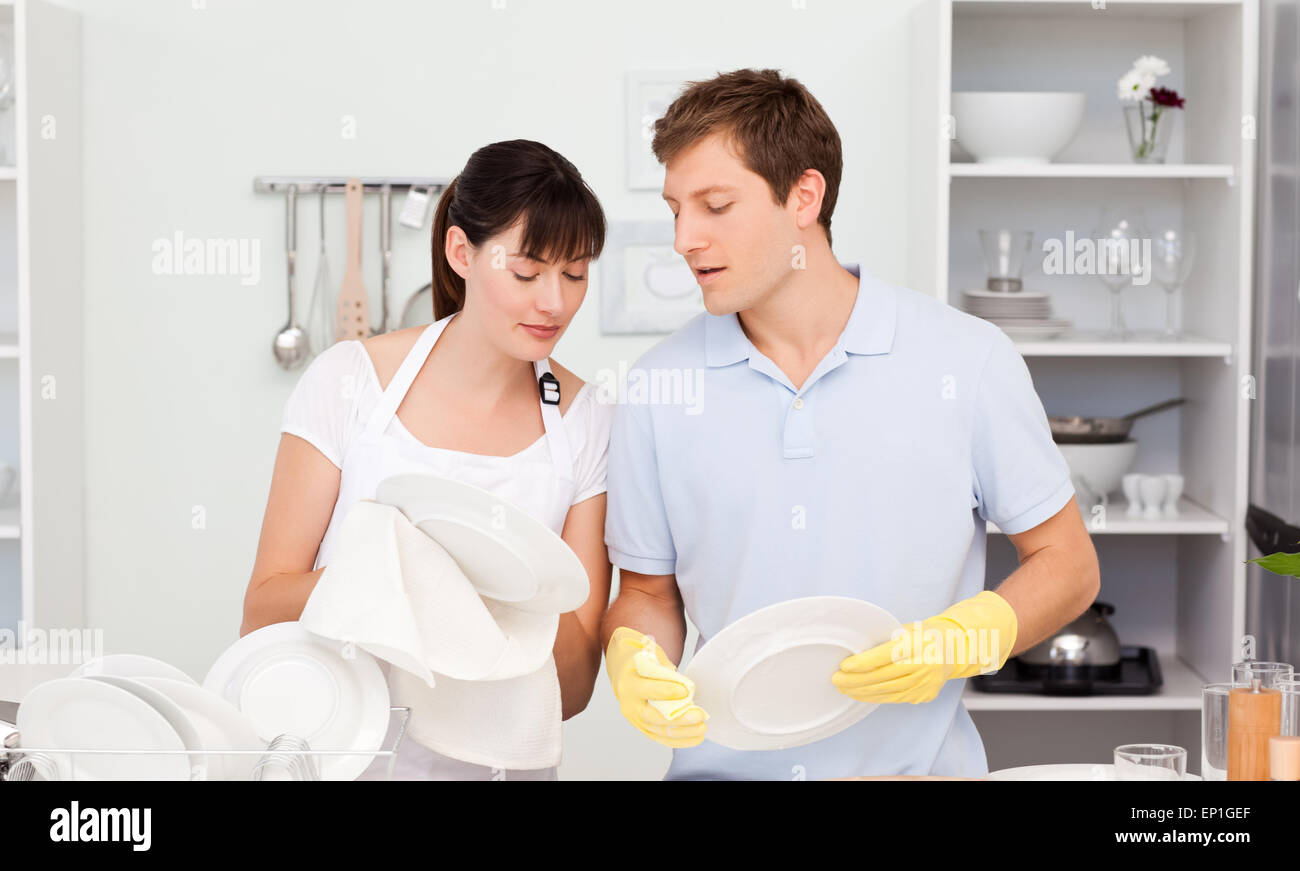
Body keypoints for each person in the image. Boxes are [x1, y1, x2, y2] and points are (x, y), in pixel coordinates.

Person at [600, 69, 1101, 779]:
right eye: (676, 209)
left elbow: (1069, 563)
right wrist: (634, 653)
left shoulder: (968, 359)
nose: (684, 238)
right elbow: (647, 594)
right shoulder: (656, 388)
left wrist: (972, 633)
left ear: (805, 196)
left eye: (715, 205)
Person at [243, 139, 613, 780]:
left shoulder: (586, 421)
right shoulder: (349, 384)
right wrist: (410, 572)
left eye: (575, 274)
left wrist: (513, 588)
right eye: (527, 272)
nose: (554, 302)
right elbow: (263, 613)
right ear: (460, 251)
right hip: (343, 762)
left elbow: (574, 691)